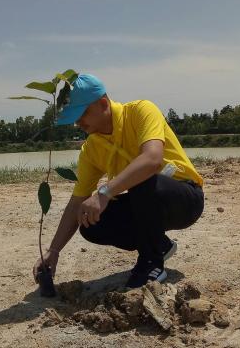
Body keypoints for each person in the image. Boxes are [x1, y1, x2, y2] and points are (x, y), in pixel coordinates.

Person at [33, 74, 204, 288]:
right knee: (89, 220)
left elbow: (152, 159)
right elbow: (77, 201)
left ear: (103, 103)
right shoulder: (91, 149)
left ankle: (151, 261)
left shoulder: (141, 110)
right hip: (145, 204)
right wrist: (53, 250)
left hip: (184, 200)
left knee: (141, 177)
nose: (78, 122)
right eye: (74, 117)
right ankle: (159, 244)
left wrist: (104, 192)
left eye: (82, 113)